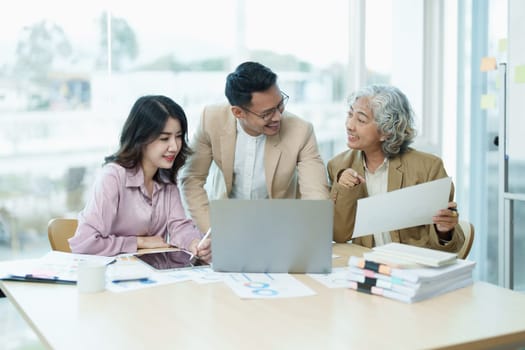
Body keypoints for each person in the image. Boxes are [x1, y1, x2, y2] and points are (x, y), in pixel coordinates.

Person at [180, 61, 330, 232]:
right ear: (238, 112)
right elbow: (192, 179)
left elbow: (315, 196)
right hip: (227, 223)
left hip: (280, 228)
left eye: (280, 105)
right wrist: (212, 232)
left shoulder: (301, 131)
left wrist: (309, 239)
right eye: (267, 113)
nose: (278, 117)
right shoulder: (211, 119)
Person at [69, 95, 211, 261]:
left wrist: (194, 242)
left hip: (152, 276)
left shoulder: (166, 179)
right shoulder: (112, 177)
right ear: (141, 138)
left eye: (178, 136)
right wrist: (139, 242)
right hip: (115, 276)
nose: (174, 146)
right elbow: (84, 243)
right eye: (164, 138)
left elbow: (179, 227)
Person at [327, 84, 465, 252]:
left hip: (412, 268)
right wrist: (344, 188)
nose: (349, 125)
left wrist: (444, 231)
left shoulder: (429, 168)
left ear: (387, 132)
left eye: (361, 120)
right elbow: (340, 235)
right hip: (366, 267)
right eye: (350, 115)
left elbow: (452, 247)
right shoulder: (338, 166)